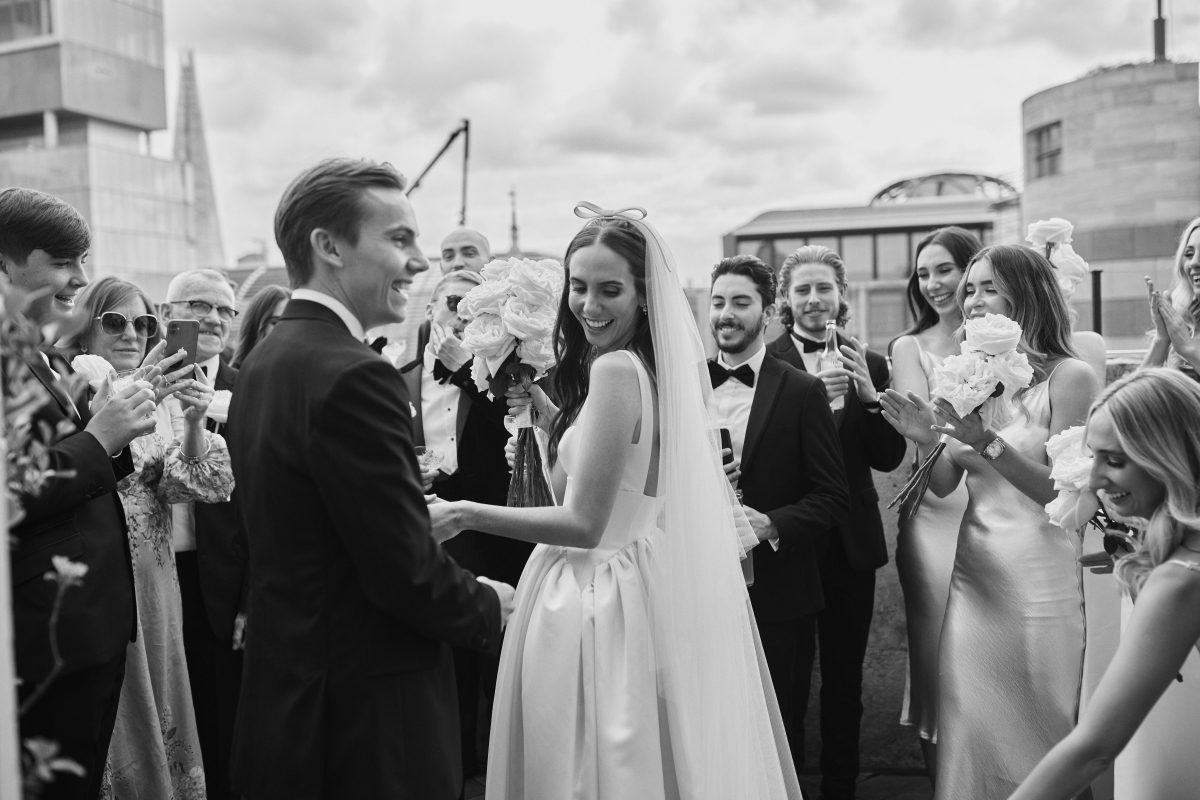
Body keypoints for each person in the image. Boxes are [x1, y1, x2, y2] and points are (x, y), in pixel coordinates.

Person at [432, 204, 802, 799]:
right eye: (578, 287)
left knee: (586, 768)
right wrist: (549, 422)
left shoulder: (614, 372)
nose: (588, 305)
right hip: (639, 577)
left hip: (595, 592)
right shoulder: (648, 368)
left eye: (609, 290)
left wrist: (463, 514)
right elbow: (605, 478)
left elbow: (582, 522)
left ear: (645, 296)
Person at [227, 158, 511, 800]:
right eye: (399, 239)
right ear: (329, 247)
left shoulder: (266, 360)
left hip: (290, 703)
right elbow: (402, 573)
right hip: (369, 723)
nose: (419, 262)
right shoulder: (358, 374)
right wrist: (494, 604)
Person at [880, 244, 1100, 800]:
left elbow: (1063, 494)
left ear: (1026, 294)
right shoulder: (967, 378)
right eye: (970, 289)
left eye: (989, 288)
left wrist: (987, 442)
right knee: (971, 727)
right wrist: (926, 439)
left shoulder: (1070, 377)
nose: (972, 301)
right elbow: (944, 484)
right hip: (974, 584)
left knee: (1044, 725)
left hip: (1041, 583)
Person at [1, 188, 151, 800]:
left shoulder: (33, 348)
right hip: (45, 634)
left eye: (83, 260)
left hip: (88, 626)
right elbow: (12, 488)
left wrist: (109, 430)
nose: (81, 279)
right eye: (64, 262)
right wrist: (97, 439)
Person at [61, 276, 233, 799]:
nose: (132, 333)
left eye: (143, 323)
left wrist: (195, 420)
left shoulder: (154, 394)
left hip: (159, 580)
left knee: (163, 694)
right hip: (102, 576)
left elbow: (194, 485)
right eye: (115, 321)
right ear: (85, 326)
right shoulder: (70, 387)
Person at [1008, 368, 1200, 800]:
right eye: (1093, 456)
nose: (1093, 479)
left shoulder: (1180, 581)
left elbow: (1092, 751)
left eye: (1114, 461)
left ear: (1169, 456)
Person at [766, 244, 907, 798]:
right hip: (792, 542)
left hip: (851, 543)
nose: (813, 299)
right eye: (802, 289)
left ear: (841, 295)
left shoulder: (870, 361)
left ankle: (842, 787)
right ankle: (788, 786)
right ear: (785, 298)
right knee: (789, 679)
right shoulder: (768, 361)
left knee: (845, 679)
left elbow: (888, 458)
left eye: (823, 287)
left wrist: (871, 399)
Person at [708, 254, 849, 758]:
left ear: (768, 313)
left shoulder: (803, 390)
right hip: (699, 586)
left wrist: (770, 524)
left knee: (777, 730)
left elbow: (833, 496)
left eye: (741, 302)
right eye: (718, 302)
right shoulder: (681, 387)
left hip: (778, 592)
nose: (726, 314)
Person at [399, 269, 533, 780]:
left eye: (476, 306)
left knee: (501, 664)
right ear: (431, 308)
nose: (462, 313)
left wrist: (463, 372)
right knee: (443, 667)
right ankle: (449, 774)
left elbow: (519, 442)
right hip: (431, 533)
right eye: (453, 301)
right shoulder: (395, 376)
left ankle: (504, 775)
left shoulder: (511, 376)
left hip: (495, 535)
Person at [888, 226, 980, 782]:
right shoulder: (909, 347)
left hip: (1003, 506)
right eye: (923, 273)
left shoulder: (1010, 345)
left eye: (945, 269)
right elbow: (918, 432)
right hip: (936, 516)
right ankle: (945, 784)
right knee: (936, 654)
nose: (933, 284)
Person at [161, 267, 249, 800]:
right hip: (151, 572)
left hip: (224, 583)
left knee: (220, 720)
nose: (214, 319)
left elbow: (268, 501)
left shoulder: (251, 387)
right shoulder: (140, 382)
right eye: (198, 305)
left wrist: (252, 597)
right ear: (167, 314)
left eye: (224, 310)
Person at [1142, 217, 1200, 380]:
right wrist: (1162, 337)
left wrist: (1188, 349)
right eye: (1189, 254)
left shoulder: (1183, 337)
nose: (1194, 263)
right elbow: (1135, 394)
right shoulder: (1184, 322)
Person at [230, 284, 290, 369]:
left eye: (290, 323)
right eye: (275, 323)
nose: (285, 330)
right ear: (255, 325)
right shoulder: (235, 374)